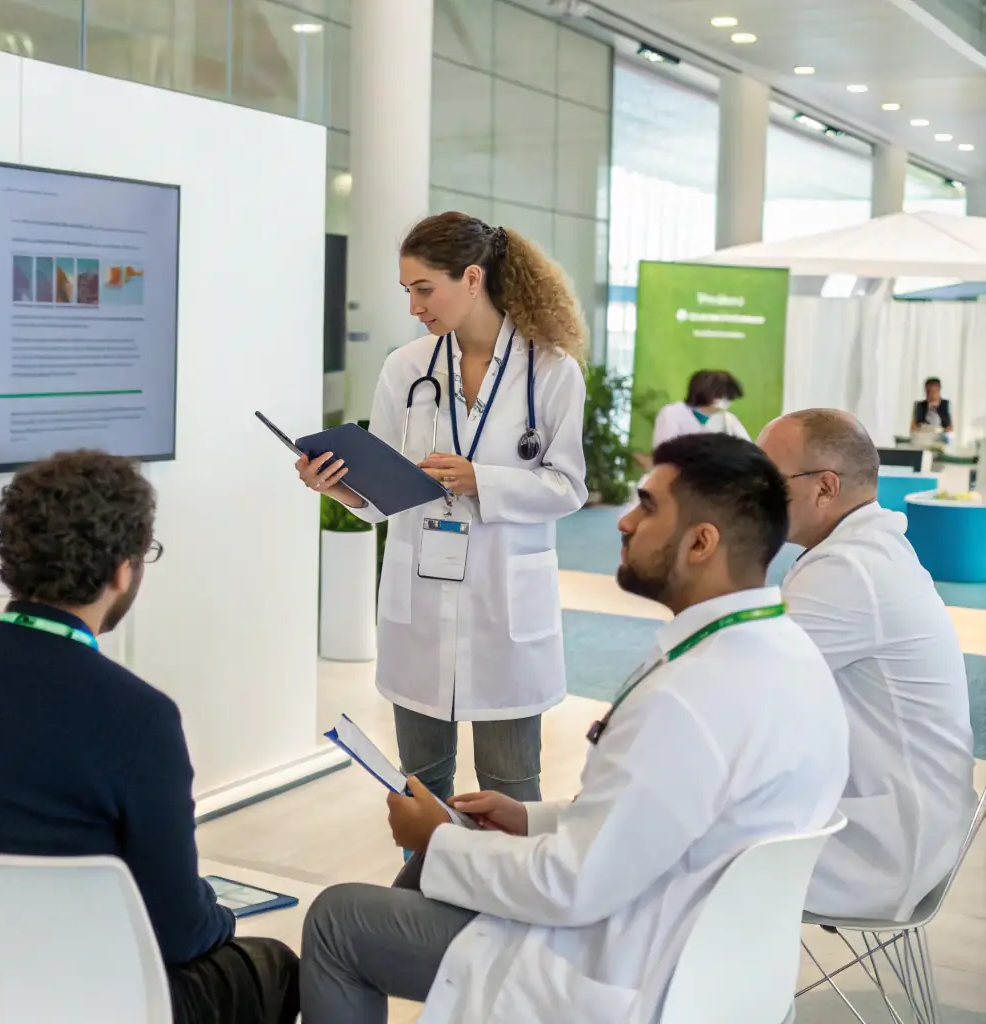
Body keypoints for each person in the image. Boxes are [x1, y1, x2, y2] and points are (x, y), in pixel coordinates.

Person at [299, 433, 849, 1024]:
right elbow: (662, 818)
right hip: (714, 961)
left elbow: (573, 886)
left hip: (625, 969)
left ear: (700, 542)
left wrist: (439, 838)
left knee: (338, 920)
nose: (625, 522)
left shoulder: (689, 698)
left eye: (647, 506)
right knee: (423, 874)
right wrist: (531, 817)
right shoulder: (784, 653)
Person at [0, 450, 298, 1024]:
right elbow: (178, 932)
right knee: (276, 966)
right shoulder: (141, 717)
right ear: (123, 570)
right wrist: (218, 911)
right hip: (87, 999)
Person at [297, 212, 588, 804]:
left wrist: (482, 479)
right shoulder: (405, 369)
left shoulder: (552, 371)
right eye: (407, 291)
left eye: (424, 288)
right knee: (420, 789)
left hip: (503, 610)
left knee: (508, 790)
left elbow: (568, 488)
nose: (414, 307)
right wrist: (337, 486)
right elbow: (384, 490)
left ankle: (500, 901)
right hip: (420, 607)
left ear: (473, 278)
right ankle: (422, 896)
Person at [758, 409, 977, 920]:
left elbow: (737, 684)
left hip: (884, 851)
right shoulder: (860, 549)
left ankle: (724, 1001)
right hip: (908, 819)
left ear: (825, 488)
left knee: (671, 851)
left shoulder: (849, 569)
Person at [652, 369, 748, 449]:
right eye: (722, 396)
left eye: (729, 397)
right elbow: (664, 451)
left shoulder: (728, 420)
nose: (726, 401)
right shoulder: (672, 413)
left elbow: (748, 450)